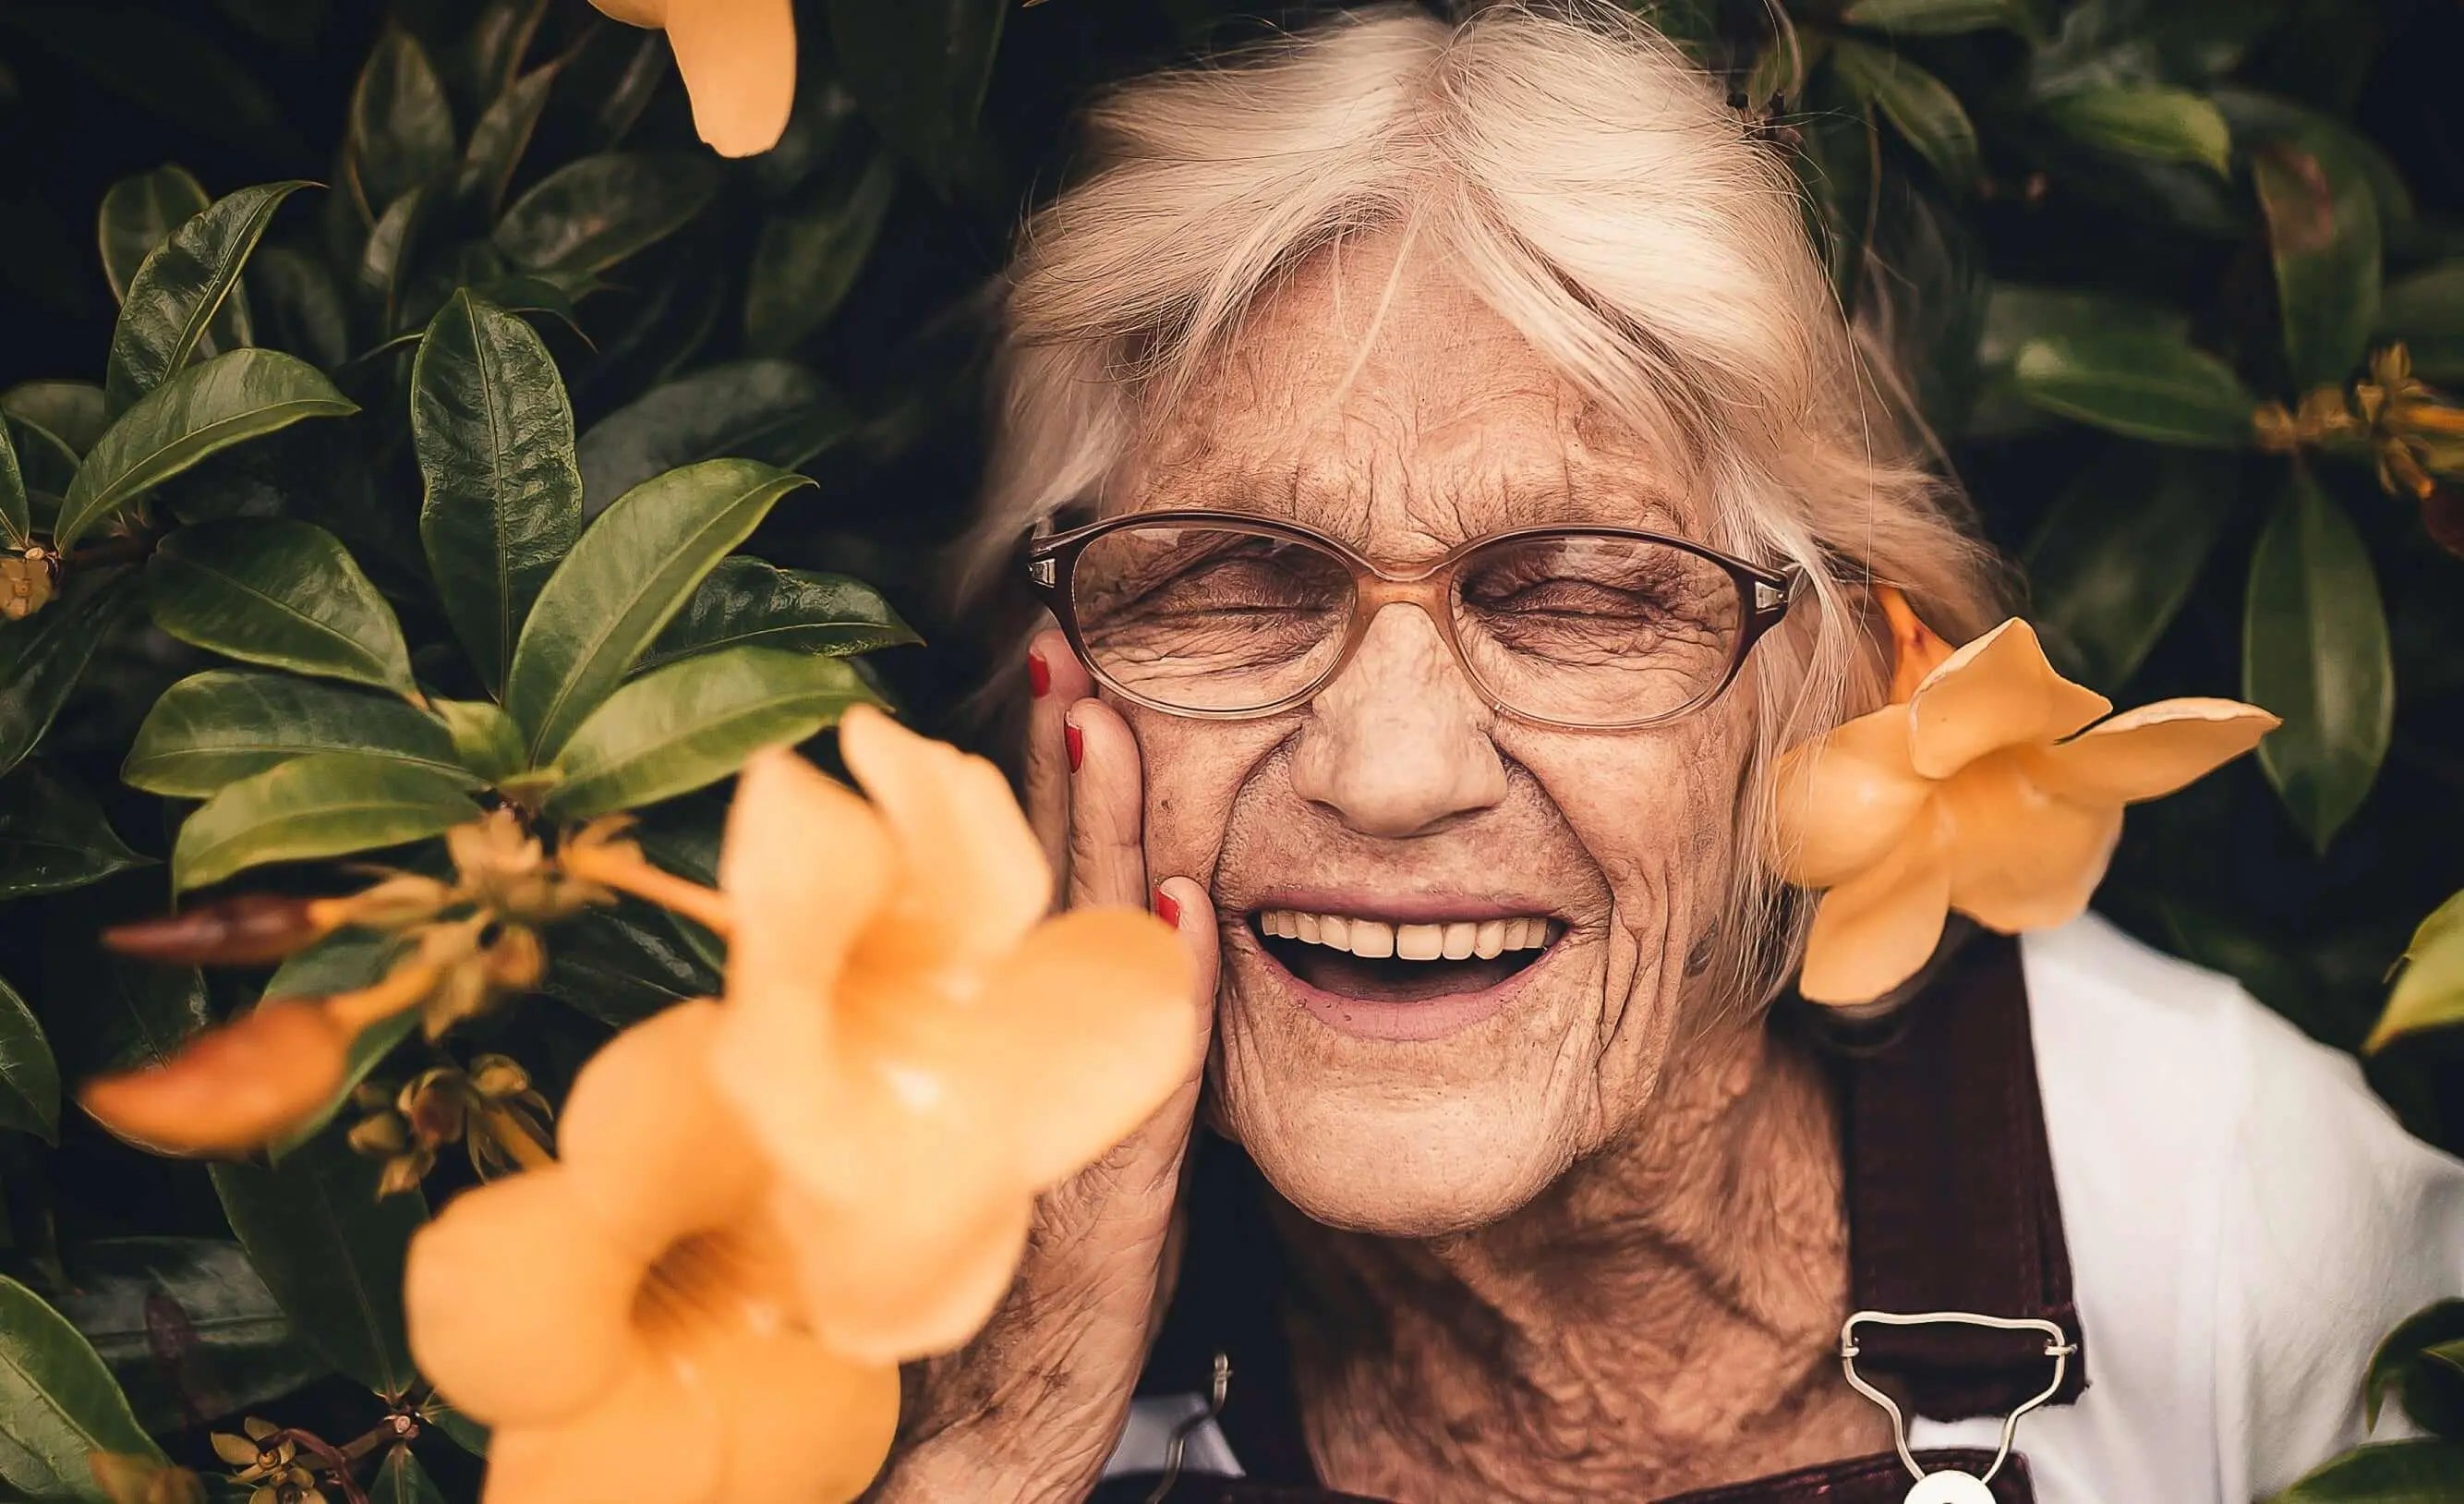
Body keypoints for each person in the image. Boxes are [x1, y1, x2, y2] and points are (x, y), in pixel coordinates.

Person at [864, 6, 2464, 1500]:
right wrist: (1012, 1430)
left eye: (1577, 595)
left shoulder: (2234, 1210)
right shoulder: (881, 1257)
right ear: (1052, 679)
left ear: (1822, 680)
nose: (1390, 769)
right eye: (1233, 581)